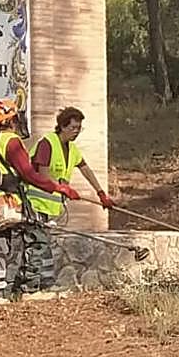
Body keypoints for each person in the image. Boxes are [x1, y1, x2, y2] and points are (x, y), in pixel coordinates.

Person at [0, 98, 80, 303]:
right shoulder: (11, 141)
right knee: (37, 237)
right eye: (16, 116)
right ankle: (29, 289)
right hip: (10, 202)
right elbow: (29, 174)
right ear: (10, 118)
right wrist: (57, 187)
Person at [19, 106, 116, 295]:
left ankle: (46, 285)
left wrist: (101, 193)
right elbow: (42, 176)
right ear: (62, 126)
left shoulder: (72, 149)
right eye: (73, 128)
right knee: (37, 245)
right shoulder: (47, 144)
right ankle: (29, 289)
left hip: (52, 205)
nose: (76, 132)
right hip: (35, 203)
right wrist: (63, 188)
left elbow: (85, 169)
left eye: (79, 128)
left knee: (47, 245)